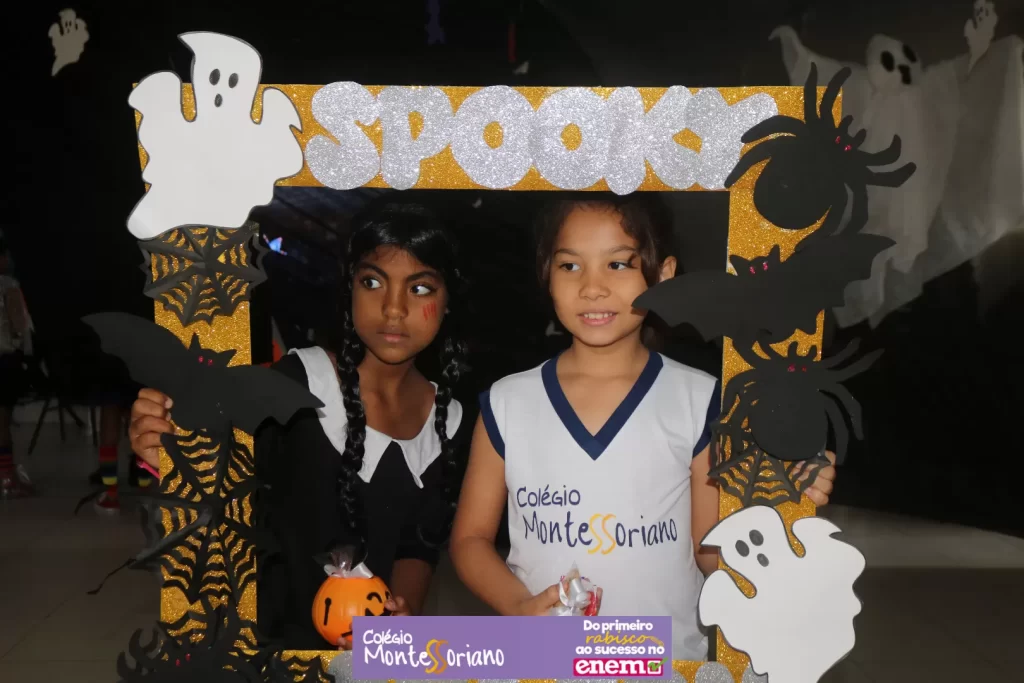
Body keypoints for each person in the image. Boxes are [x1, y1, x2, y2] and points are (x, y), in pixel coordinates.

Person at [449, 194, 837, 660]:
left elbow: (708, 548)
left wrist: (780, 509)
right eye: (570, 266)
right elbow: (470, 540)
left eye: (618, 264)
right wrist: (518, 606)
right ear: (546, 274)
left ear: (663, 275)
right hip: (546, 659)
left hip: (664, 660)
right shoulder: (507, 402)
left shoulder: (701, 401)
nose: (592, 288)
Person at [127, 199, 471, 649]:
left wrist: (400, 615)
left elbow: (418, 546)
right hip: (267, 648)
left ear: (448, 302)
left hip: (370, 657)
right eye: (372, 282)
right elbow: (218, 482)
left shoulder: (450, 419)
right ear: (349, 288)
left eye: (420, 288)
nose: (393, 308)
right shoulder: (299, 384)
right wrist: (166, 452)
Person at [0, 237, 34, 498]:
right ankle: (6, 476)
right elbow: (19, 325)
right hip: (4, 358)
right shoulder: (8, 285)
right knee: (2, 419)